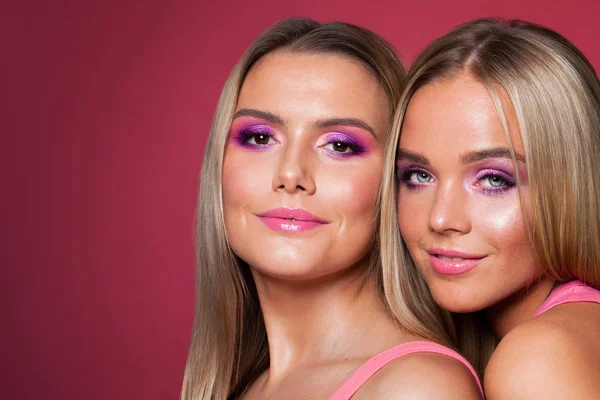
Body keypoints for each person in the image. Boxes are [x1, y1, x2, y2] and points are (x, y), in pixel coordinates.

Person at [182, 17, 483, 400]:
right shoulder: (247, 383)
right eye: (259, 137)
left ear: (393, 180)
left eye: (339, 145)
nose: (291, 174)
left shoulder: (416, 388)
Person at [380, 18, 600, 398]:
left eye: (494, 180)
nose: (441, 218)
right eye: (418, 176)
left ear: (572, 188)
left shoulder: (540, 359)